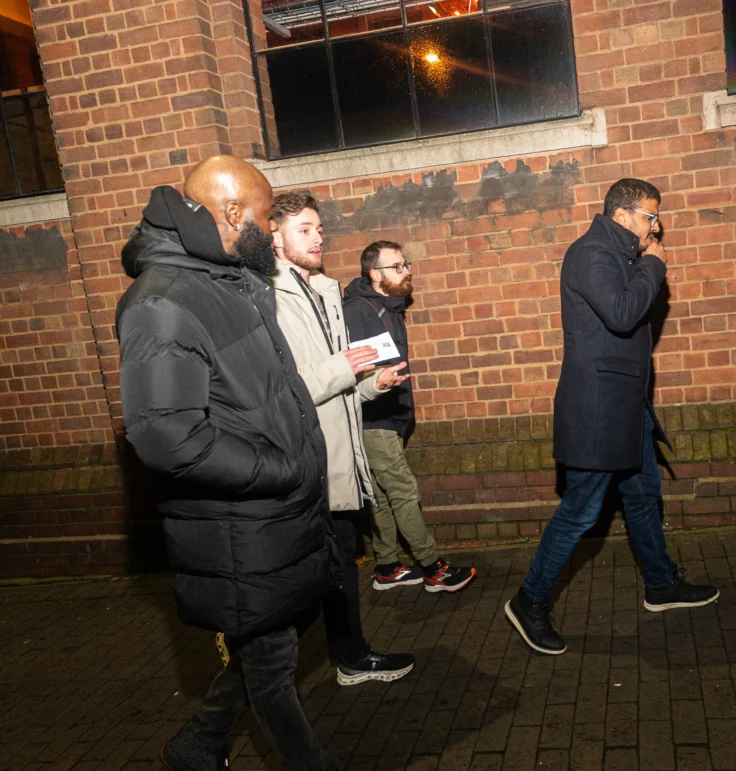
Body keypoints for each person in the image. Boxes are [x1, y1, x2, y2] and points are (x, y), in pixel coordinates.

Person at [117, 156, 339, 771]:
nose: (273, 231)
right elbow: (167, 437)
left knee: (269, 649)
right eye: (268, 218)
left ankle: (199, 744)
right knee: (271, 668)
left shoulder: (228, 278)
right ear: (233, 213)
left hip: (276, 515)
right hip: (241, 524)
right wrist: (280, 469)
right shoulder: (162, 302)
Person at [504, 178, 720, 656]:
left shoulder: (618, 253)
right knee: (581, 510)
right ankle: (530, 600)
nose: (656, 227)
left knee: (643, 494)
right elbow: (622, 314)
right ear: (623, 216)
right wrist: (653, 267)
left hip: (626, 405)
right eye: (650, 217)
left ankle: (661, 584)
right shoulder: (593, 254)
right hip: (599, 410)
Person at [269, 192, 415, 685]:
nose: (317, 237)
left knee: (338, 569)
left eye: (318, 228)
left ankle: (349, 656)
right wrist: (343, 367)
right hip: (308, 465)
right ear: (274, 236)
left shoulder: (324, 290)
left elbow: (339, 387)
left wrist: (373, 384)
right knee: (312, 581)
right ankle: (258, 676)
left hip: (341, 459)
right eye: (304, 229)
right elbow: (280, 390)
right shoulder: (268, 297)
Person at [342, 241, 476, 592]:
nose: (407, 271)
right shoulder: (359, 310)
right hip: (373, 421)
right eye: (397, 266)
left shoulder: (387, 307)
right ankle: (433, 568)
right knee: (402, 491)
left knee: (384, 496)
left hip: (388, 418)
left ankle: (387, 566)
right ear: (375, 274)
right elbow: (357, 371)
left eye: (406, 264)